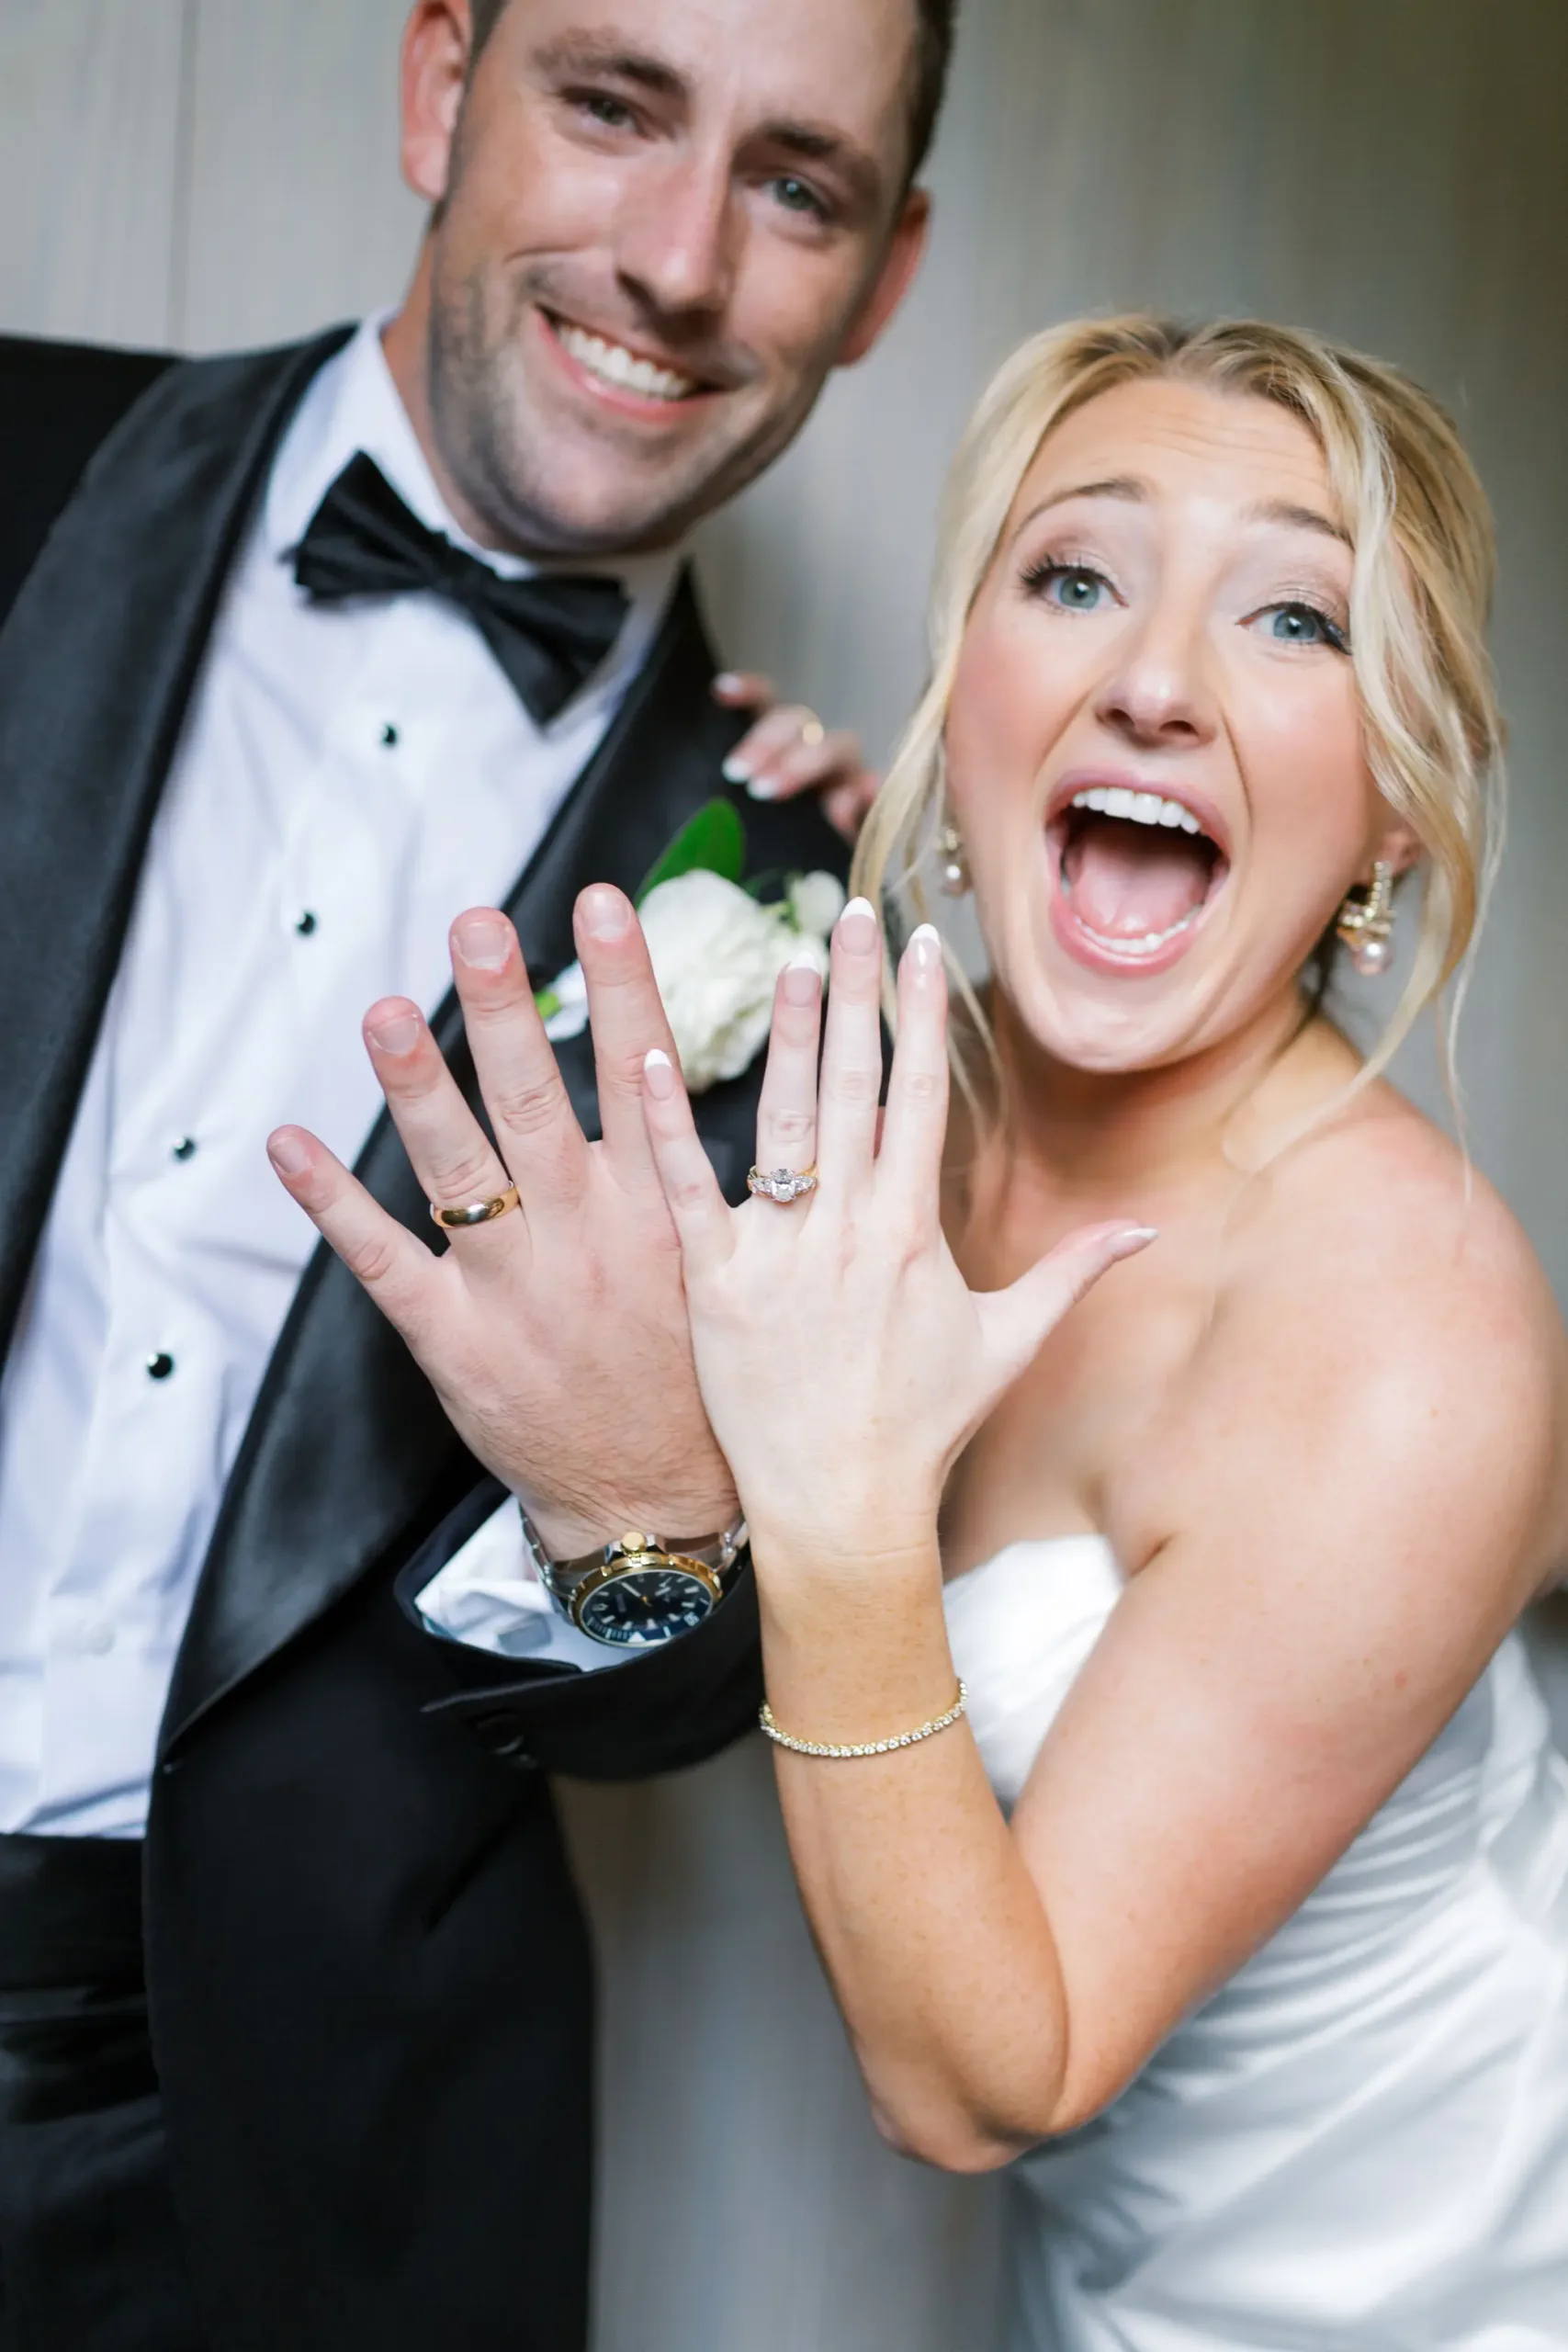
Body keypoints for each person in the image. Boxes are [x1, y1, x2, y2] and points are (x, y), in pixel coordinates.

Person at [336, 312, 1568, 2346]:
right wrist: (621, 1520)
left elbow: (981, 2075)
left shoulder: (1406, 1330)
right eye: (1073, 578)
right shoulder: (864, 1090)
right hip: (1113, 2275)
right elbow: (673, 1629)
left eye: (1292, 620)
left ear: (1394, 827)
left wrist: (829, 1499)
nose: (1151, 681)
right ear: (961, 692)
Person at [0, 0, 956, 2344]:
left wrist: (634, 1517)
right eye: (613, 106)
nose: (679, 259)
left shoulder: (823, 936)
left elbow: (663, 1696)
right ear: (443, 86)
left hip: (268, 2149)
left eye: (796, 184)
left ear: (882, 278)